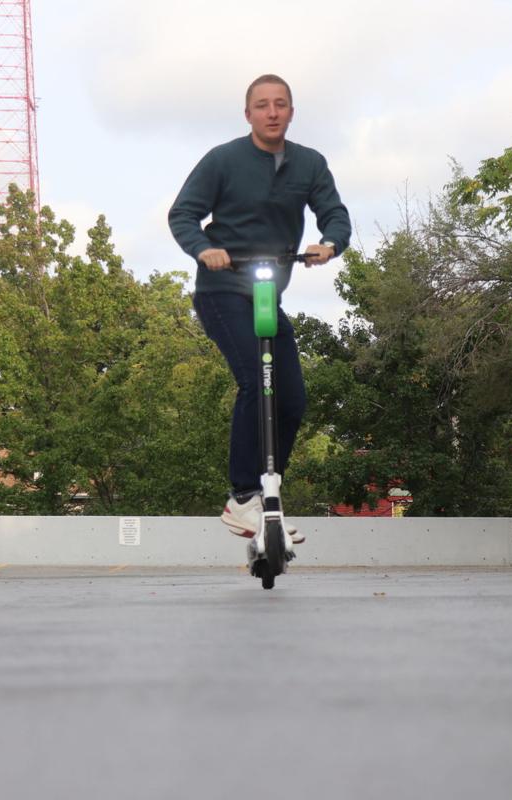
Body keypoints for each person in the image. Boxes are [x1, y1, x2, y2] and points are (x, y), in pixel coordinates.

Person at [168, 74, 351, 544]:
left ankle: (268, 496)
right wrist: (203, 249)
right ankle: (243, 497)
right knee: (256, 379)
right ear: (247, 113)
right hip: (222, 290)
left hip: (268, 294)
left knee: (291, 398)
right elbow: (183, 213)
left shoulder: (310, 163)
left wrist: (329, 244)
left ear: (291, 112)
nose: (272, 112)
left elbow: (334, 214)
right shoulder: (223, 160)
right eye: (262, 105)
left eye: (281, 104)